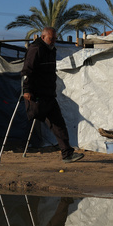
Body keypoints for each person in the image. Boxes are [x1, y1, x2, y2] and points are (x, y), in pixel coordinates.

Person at [22, 27, 83, 163]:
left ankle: (67, 153)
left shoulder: (52, 50)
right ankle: (18, 145)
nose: (54, 41)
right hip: (36, 94)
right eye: (51, 39)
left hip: (49, 94)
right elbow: (27, 71)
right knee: (32, 116)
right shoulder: (35, 49)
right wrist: (26, 90)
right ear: (43, 37)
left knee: (59, 123)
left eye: (55, 38)